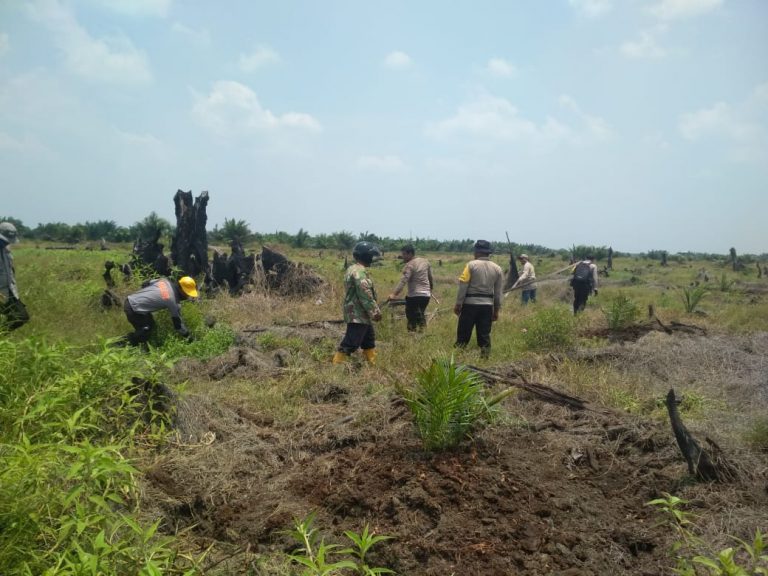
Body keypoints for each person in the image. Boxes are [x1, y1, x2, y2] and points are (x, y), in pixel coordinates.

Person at [333, 241, 382, 365]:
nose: (372, 258)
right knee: (351, 342)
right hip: (358, 314)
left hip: (360, 313)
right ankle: (336, 366)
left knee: (369, 340)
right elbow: (365, 294)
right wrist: (375, 311)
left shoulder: (352, 269)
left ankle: (372, 364)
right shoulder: (359, 272)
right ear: (365, 256)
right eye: (370, 256)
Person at [454, 240, 504, 358]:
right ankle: (485, 359)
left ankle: (457, 358)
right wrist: (496, 310)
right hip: (487, 307)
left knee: (463, 334)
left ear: (477, 252)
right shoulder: (497, 268)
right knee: (484, 335)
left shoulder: (471, 265)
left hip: (470, 305)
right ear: (488, 253)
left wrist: (458, 304)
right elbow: (498, 293)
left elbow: (463, 285)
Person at [121, 276, 198, 346]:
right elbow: (178, 325)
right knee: (145, 330)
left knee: (151, 325)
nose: (187, 296)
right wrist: (189, 338)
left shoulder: (164, 281)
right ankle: (122, 343)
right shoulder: (173, 302)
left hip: (131, 299)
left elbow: (145, 283)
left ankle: (142, 344)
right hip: (134, 309)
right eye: (187, 294)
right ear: (181, 290)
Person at [388, 244, 434, 331]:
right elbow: (430, 277)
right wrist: (430, 288)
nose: (403, 257)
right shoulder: (425, 261)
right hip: (426, 296)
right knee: (420, 315)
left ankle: (412, 336)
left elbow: (403, 281)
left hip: (414, 296)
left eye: (404, 254)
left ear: (410, 254)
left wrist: (394, 294)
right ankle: (422, 334)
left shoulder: (410, 265)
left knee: (411, 317)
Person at [0, 222, 30, 330]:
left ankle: (2, 337)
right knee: (19, 316)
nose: (5, 243)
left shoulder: (6, 251)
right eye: (4, 240)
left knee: (21, 316)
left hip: (9, 291)